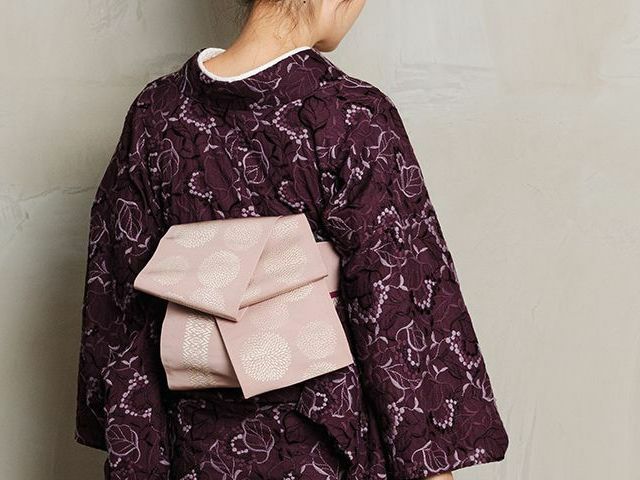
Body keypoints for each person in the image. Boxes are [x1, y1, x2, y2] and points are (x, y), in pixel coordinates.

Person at [73, 0, 509, 478]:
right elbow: (400, 311)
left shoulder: (155, 117)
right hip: (332, 452)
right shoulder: (353, 116)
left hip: (195, 458)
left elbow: (118, 317)